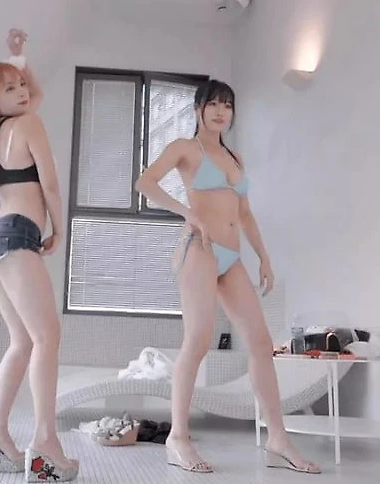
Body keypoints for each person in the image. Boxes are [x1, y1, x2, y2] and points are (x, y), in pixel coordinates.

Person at [135, 79, 321, 475]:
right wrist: (188, 213)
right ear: (198, 108)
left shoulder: (235, 157)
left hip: (231, 257)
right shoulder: (186, 148)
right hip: (198, 249)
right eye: (214, 104)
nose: (221, 112)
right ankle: (178, 438)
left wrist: (264, 257)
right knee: (198, 340)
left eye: (228, 106)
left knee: (261, 343)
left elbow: (245, 213)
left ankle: (277, 439)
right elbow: (144, 183)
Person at [0, 29, 79, 483]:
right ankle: (45, 444)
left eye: (23, 85)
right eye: (11, 88)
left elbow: (33, 94)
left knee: (23, 342)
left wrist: (18, 58)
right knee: (47, 338)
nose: (25, 92)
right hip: (17, 236)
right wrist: (59, 228)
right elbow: (50, 184)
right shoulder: (29, 125)